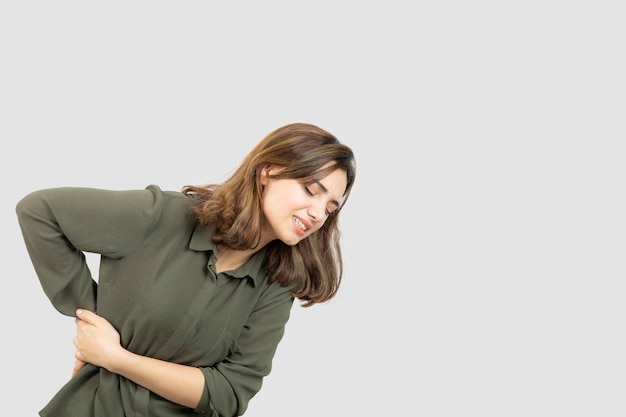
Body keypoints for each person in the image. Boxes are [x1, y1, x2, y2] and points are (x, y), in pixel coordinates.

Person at [16, 122, 357, 417]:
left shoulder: (277, 284)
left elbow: (229, 394)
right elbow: (40, 212)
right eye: (311, 190)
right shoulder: (163, 217)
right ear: (267, 171)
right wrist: (92, 319)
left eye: (329, 208)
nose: (317, 213)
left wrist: (115, 357)